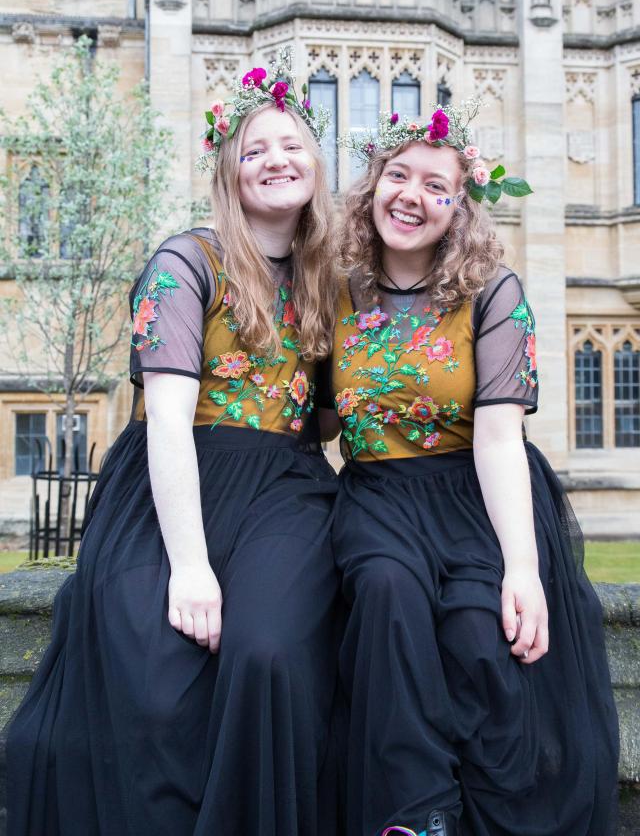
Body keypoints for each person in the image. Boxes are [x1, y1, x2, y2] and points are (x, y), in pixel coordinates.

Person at [7, 51, 344, 836]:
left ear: (316, 165)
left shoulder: (331, 279)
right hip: (175, 479)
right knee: (157, 674)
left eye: (290, 145)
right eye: (253, 150)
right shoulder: (184, 263)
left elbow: (329, 420)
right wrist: (191, 566)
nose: (275, 160)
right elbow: (165, 422)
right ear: (229, 174)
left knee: (266, 654)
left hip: (286, 491)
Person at [326, 103, 619, 836]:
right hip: (377, 496)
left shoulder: (495, 294)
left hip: (474, 494)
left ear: (460, 208)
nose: (412, 196)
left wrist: (522, 568)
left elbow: (497, 438)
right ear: (372, 187)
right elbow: (316, 416)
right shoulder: (335, 291)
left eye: (436, 185)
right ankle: (415, 816)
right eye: (398, 176)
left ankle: (490, 816)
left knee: (477, 634)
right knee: (387, 595)